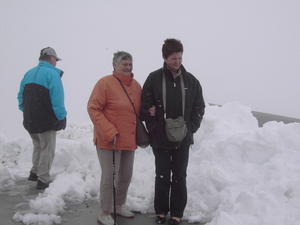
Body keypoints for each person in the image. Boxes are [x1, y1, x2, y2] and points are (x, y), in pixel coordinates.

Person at [141, 39, 205, 225]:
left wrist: (191, 128)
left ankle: (177, 213)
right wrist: (154, 128)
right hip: (160, 138)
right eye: (172, 58)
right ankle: (160, 211)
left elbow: (199, 107)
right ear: (164, 57)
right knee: (162, 174)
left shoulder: (191, 81)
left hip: (183, 139)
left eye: (179, 57)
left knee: (179, 175)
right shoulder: (153, 79)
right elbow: (144, 106)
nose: (177, 62)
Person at [87, 51, 141, 225]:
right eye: (124, 64)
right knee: (110, 177)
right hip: (109, 140)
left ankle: (118, 205)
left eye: (130, 64)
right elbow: (93, 108)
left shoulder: (135, 85)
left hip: (129, 140)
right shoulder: (105, 83)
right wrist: (109, 132)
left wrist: (151, 110)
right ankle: (104, 212)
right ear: (115, 65)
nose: (128, 67)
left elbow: (140, 109)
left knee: (125, 175)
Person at [17, 47, 67, 189]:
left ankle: (34, 172)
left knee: (38, 145)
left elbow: (20, 96)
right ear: (51, 59)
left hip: (29, 118)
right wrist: (61, 117)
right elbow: (57, 99)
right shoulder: (52, 74)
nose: (56, 63)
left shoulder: (28, 73)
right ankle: (43, 179)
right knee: (47, 148)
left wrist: (25, 110)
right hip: (46, 119)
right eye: (56, 60)